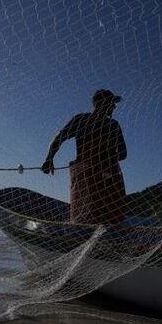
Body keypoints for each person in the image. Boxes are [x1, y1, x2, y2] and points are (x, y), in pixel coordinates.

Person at [42, 89, 127, 224]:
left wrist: (49, 159)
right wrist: (49, 159)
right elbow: (59, 138)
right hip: (98, 176)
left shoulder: (110, 124)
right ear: (100, 103)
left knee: (94, 213)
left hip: (98, 175)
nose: (114, 106)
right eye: (111, 103)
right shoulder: (88, 121)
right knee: (99, 213)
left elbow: (123, 153)